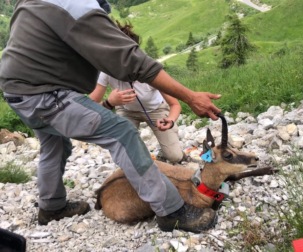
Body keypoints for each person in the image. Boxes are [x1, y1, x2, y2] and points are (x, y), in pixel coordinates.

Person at [0, 0, 221, 233]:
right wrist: (191, 96)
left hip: (17, 93)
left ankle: (52, 206)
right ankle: (173, 212)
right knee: (122, 132)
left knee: (54, 144)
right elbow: (131, 59)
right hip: (45, 95)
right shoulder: (76, 6)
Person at [90, 22, 185, 164]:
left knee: (175, 157)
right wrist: (109, 103)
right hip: (126, 111)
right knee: (124, 155)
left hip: (156, 109)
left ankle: (165, 147)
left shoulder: (149, 70)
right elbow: (89, 105)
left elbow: (175, 104)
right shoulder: (106, 70)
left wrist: (170, 121)